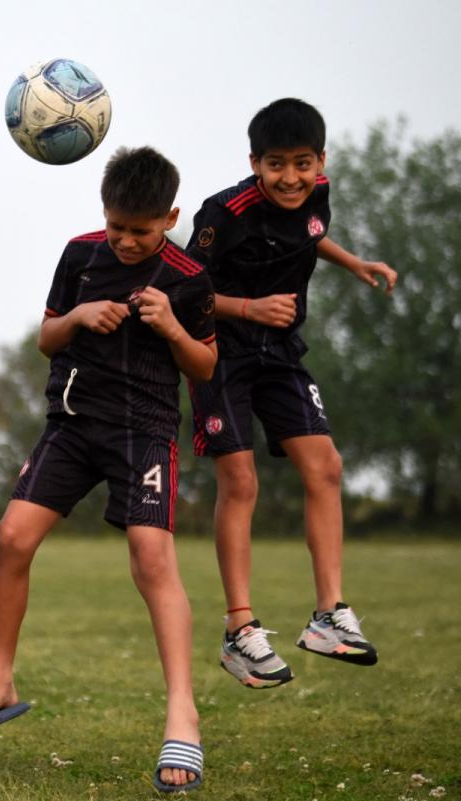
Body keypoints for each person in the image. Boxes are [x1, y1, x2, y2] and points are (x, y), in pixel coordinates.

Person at [0, 147, 217, 793]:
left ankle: (182, 714)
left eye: (141, 230)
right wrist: (75, 317)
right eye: (116, 226)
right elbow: (47, 337)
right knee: (12, 538)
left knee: (151, 558)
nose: (126, 241)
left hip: (145, 433)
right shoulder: (79, 255)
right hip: (72, 426)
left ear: (170, 218)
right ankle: (0, 681)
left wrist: (173, 326)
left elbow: (205, 366)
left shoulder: (189, 277)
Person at [186, 98, 395, 689]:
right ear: (254, 162)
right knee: (242, 480)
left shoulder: (317, 193)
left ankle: (329, 615)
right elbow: (178, 290)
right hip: (218, 353)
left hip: (279, 353)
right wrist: (248, 306)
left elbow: (307, 235)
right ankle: (239, 630)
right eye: (276, 164)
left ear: (321, 161)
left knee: (326, 466)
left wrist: (352, 261)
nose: (291, 177)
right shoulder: (222, 214)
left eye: (303, 163)